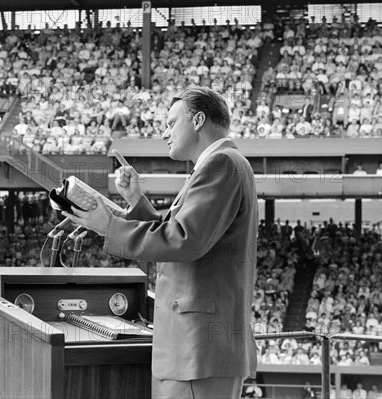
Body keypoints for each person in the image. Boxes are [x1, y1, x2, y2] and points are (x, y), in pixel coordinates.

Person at [63, 87, 258, 398]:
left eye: (171, 123)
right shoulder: (220, 164)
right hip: (194, 348)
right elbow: (177, 230)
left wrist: (109, 226)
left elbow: (183, 241)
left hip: (198, 349)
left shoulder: (222, 164)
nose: (165, 133)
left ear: (197, 120)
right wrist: (136, 201)